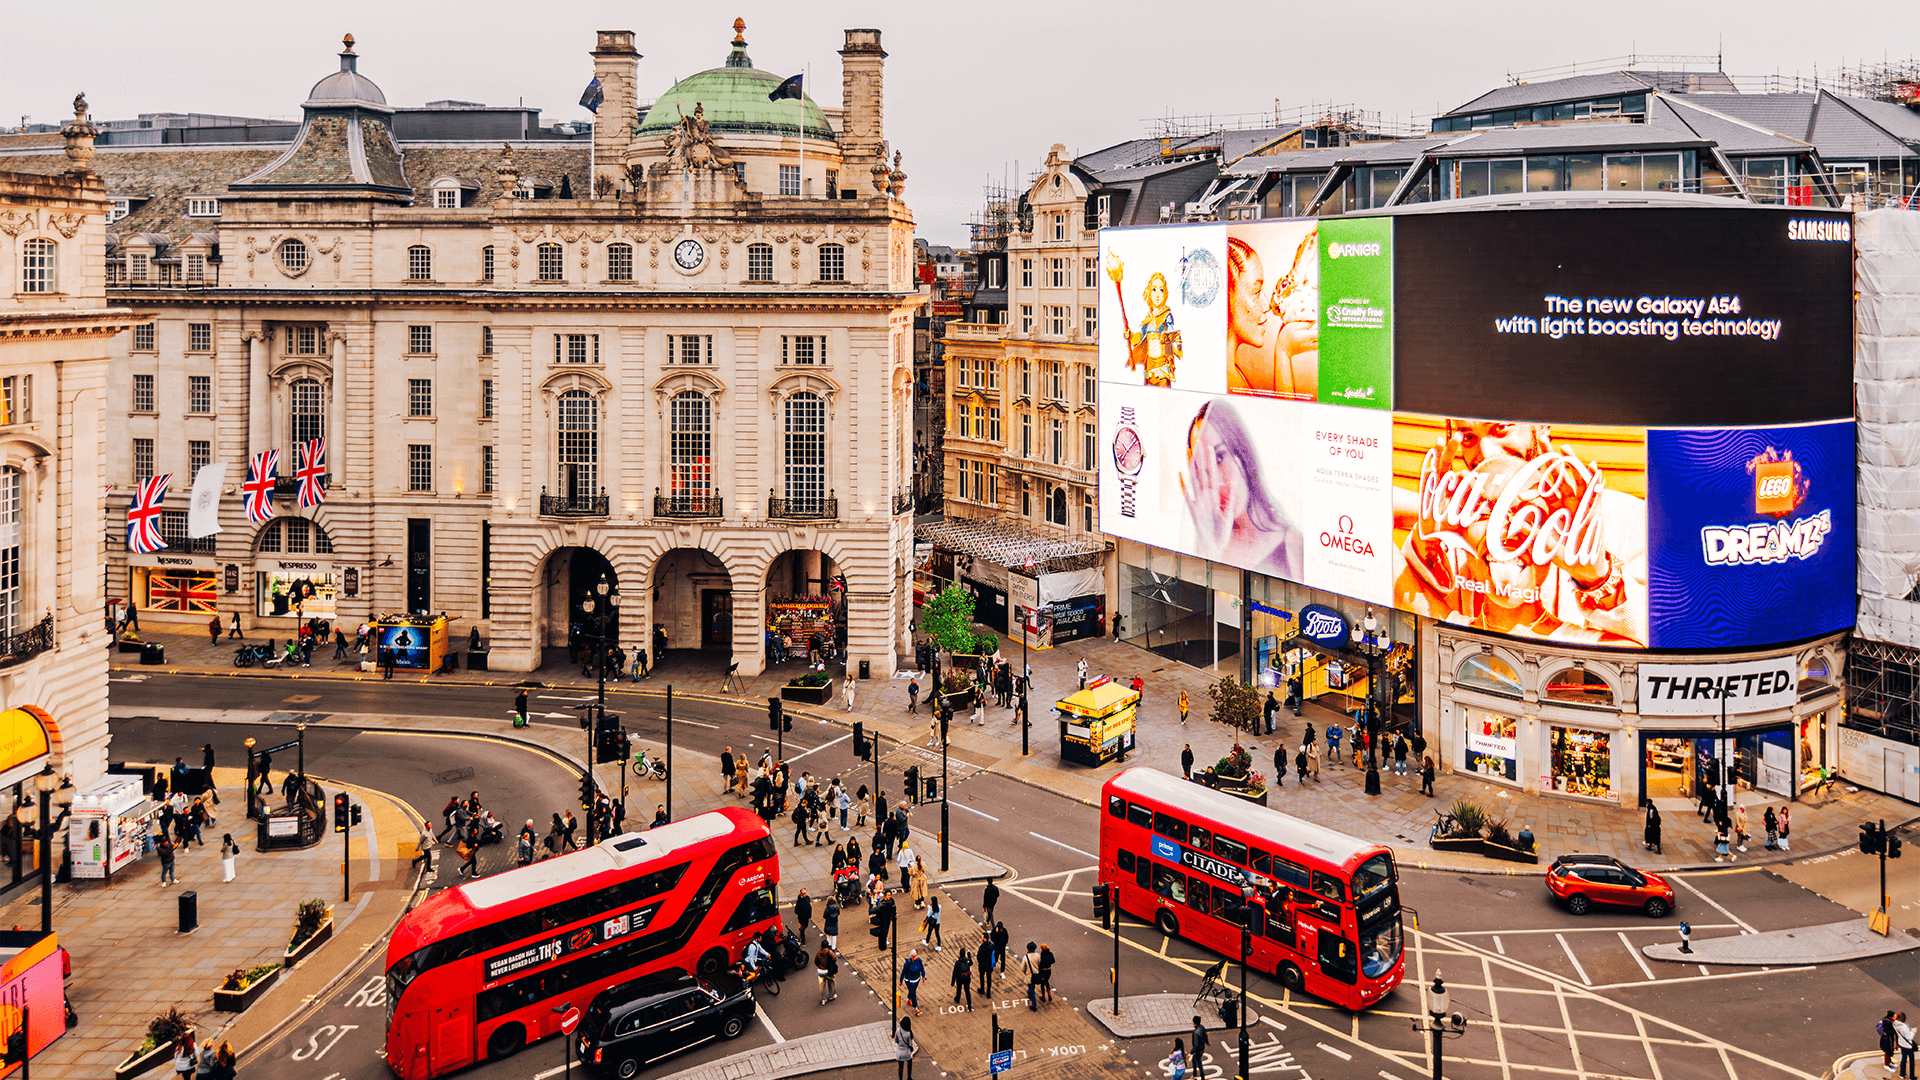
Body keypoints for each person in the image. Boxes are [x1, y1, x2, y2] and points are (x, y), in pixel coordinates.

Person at [1180, 399, 1302, 577]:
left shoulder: (1293, 545)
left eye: (1220, 457)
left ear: (1242, 453)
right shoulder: (1207, 546)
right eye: (1203, 471)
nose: (1216, 482)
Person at [901, 949, 926, 1014]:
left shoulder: (919, 960)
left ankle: (909, 998)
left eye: (915, 956)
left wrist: (923, 976)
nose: (915, 957)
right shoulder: (907, 963)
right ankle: (916, 1008)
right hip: (909, 981)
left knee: (912, 991)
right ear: (911, 956)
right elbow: (903, 972)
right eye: (913, 956)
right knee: (914, 993)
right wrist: (901, 981)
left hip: (917, 980)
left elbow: (922, 968)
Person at [1896, 1011, 1918, 1080]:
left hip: (1901, 1044)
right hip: (1908, 1046)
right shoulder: (1904, 1027)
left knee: (1903, 1059)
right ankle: (1911, 1077)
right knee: (1911, 1061)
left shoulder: (1895, 1024)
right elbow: (1909, 1037)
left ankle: (1902, 1074)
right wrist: (1913, 1031)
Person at [1021, 941, 1042, 1010]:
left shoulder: (1025, 957)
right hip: (1037, 974)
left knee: (1031, 989)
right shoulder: (1038, 955)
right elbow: (1040, 964)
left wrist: (1025, 972)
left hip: (1029, 976)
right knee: (1033, 988)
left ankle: (1034, 1005)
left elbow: (1022, 968)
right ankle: (1029, 993)